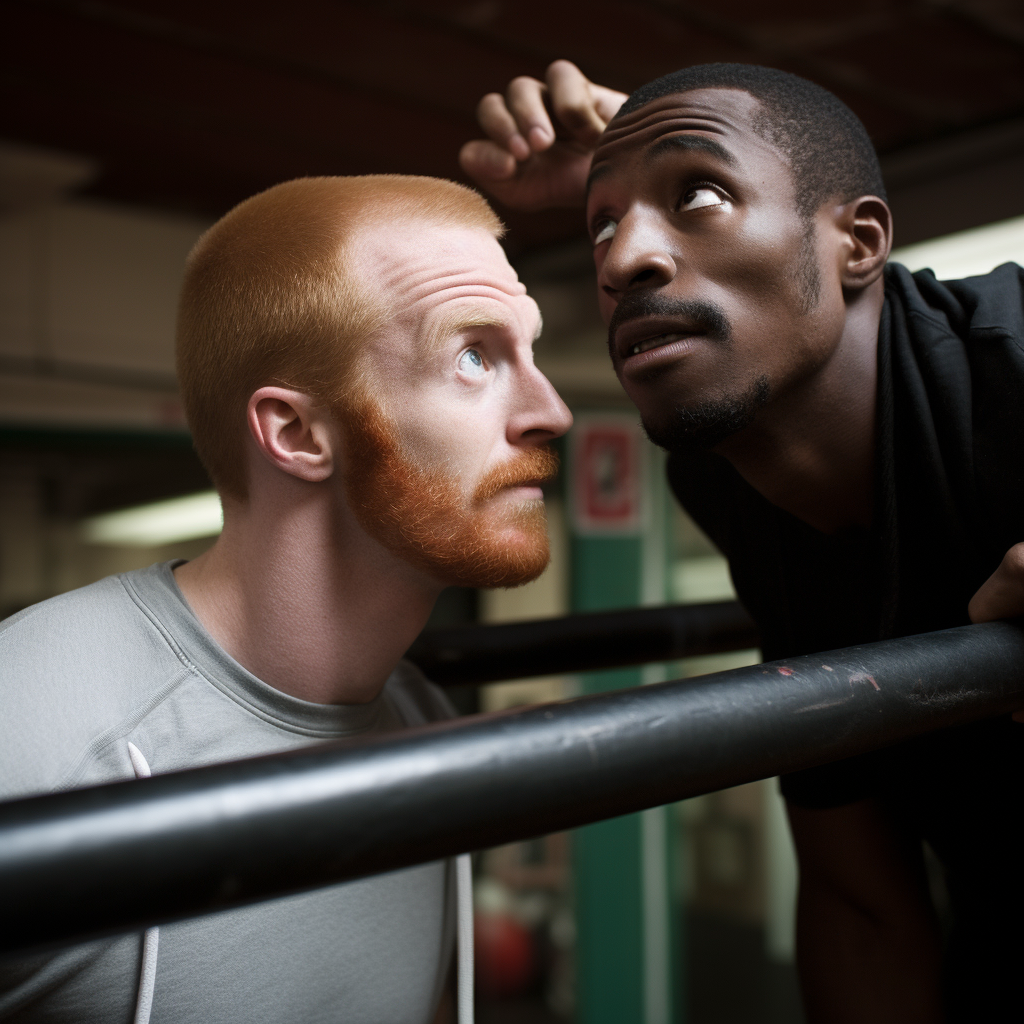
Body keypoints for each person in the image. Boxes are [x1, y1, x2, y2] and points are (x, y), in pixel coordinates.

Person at [460, 61, 1024, 1023]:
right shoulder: (725, 477)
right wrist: (665, 161)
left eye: (703, 197)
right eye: (602, 222)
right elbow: (861, 906)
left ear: (859, 242)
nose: (621, 258)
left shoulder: (1011, 361)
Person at [0, 174, 572, 1024]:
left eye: (531, 352)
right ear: (299, 433)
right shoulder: (32, 726)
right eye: (474, 356)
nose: (552, 411)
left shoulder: (422, 719)